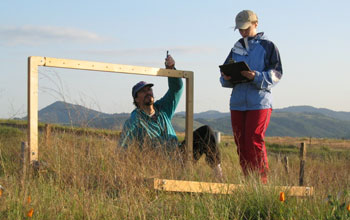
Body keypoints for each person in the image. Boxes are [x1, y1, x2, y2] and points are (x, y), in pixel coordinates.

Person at [119, 54, 223, 180]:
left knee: (205, 132)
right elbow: (123, 147)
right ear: (136, 98)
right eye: (143, 91)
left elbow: (176, 89)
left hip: (180, 156)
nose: (148, 92)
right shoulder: (134, 121)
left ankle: (218, 173)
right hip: (159, 165)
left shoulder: (163, 109)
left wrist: (171, 69)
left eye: (149, 90)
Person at [220, 10, 283, 183]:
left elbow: (277, 73)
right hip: (237, 102)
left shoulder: (268, 46)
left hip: (259, 102)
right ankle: (248, 181)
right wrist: (226, 77)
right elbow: (224, 72)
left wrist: (256, 76)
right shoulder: (235, 48)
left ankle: (262, 183)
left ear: (256, 24)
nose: (243, 32)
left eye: (246, 28)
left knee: (254, 140)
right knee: (241, 144)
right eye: (240, 29)